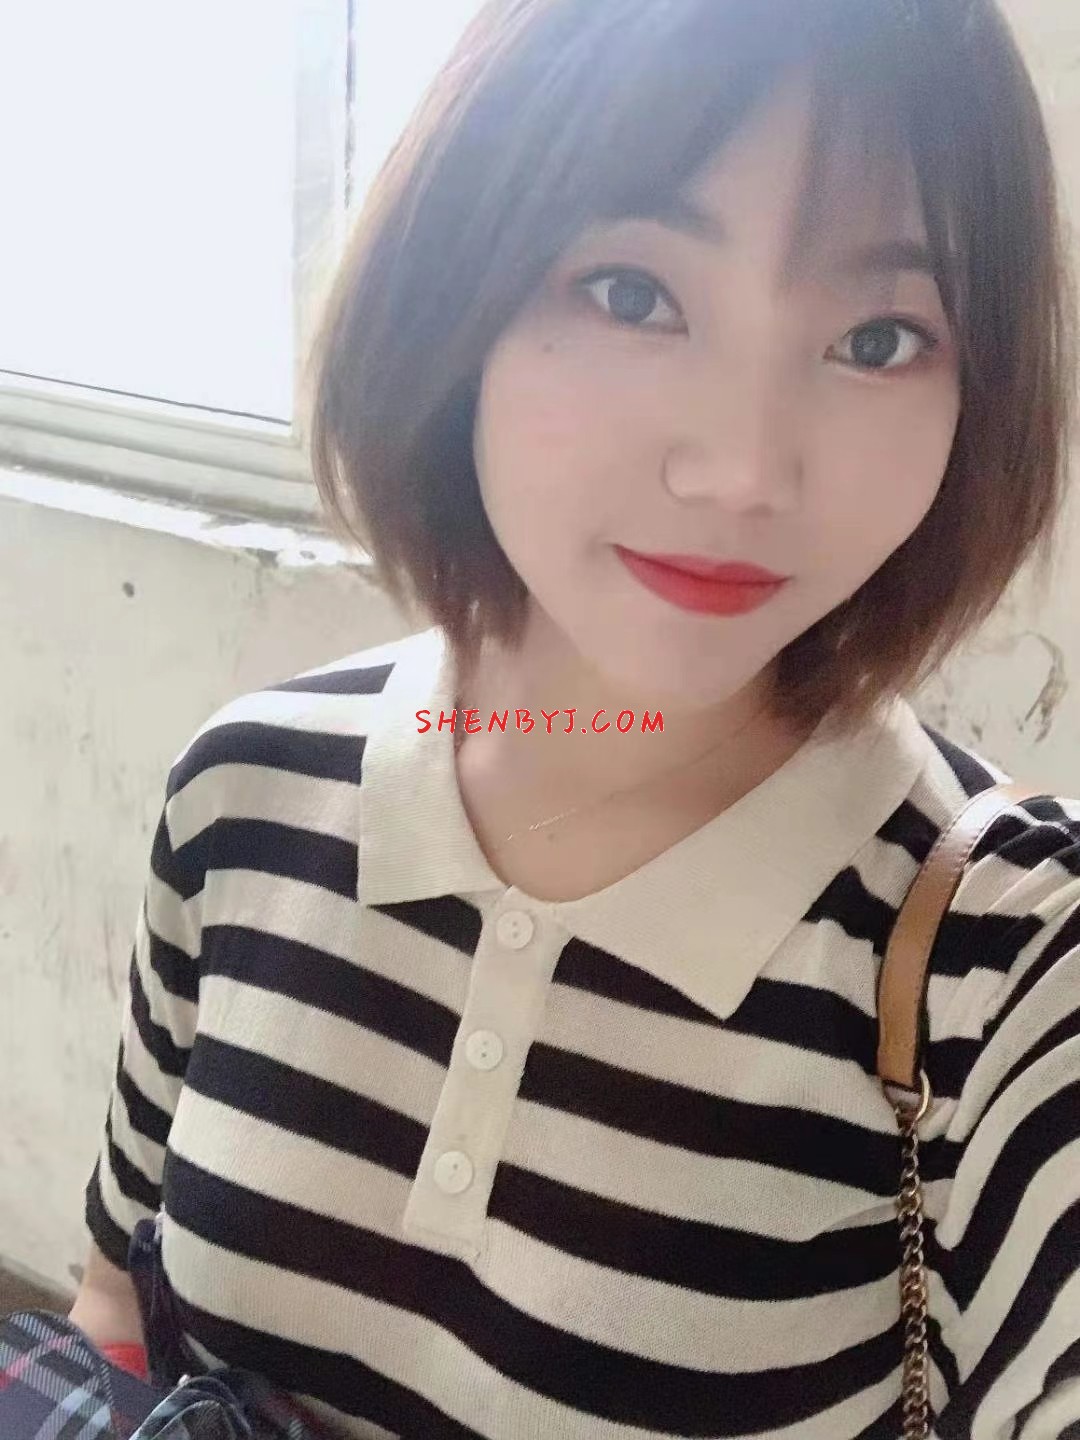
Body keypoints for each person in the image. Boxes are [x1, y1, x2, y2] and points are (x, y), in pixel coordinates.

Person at [69, 0, 1080, 1436]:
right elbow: (120, 1305)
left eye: (877, 336)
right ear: (456, 293)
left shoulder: (1013, 967)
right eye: (631, 292)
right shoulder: (246, 791)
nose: (742, 469)